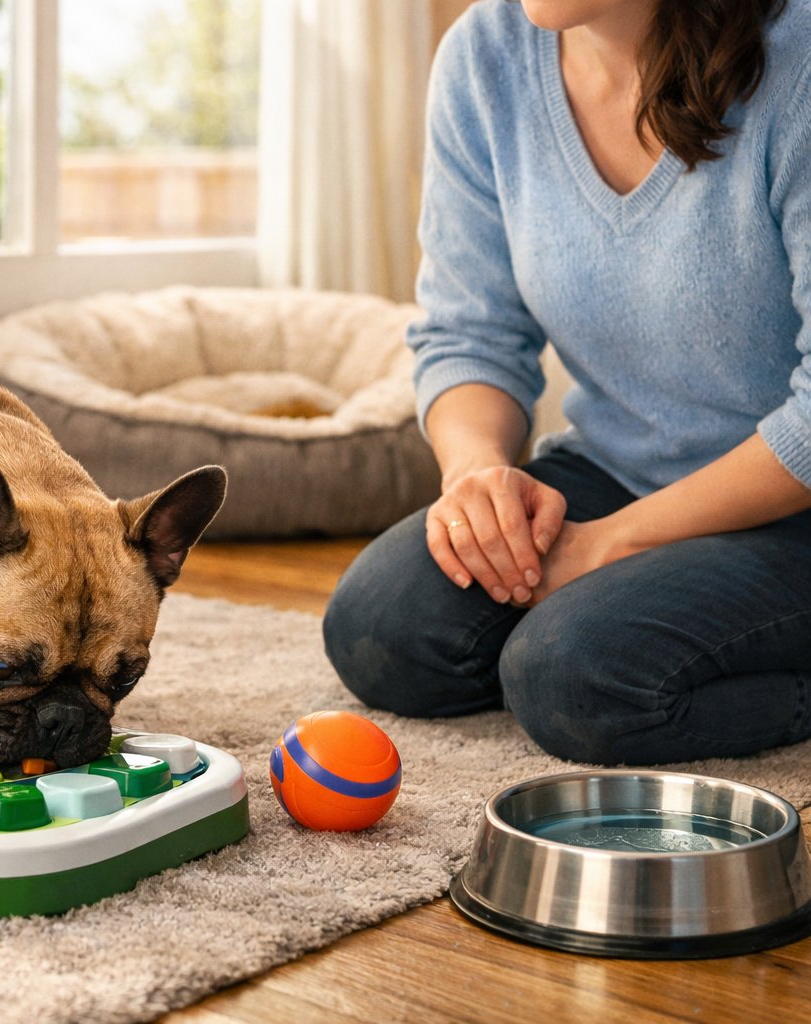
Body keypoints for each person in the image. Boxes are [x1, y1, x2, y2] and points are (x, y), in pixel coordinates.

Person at [322, 0, 811, 765]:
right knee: (383, 630)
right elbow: (470, 332)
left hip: (792, 503)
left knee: (573, 676)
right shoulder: (485, 58)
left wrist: (615, 545)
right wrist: (477, 477)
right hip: (618, 468)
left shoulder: (800, 60)